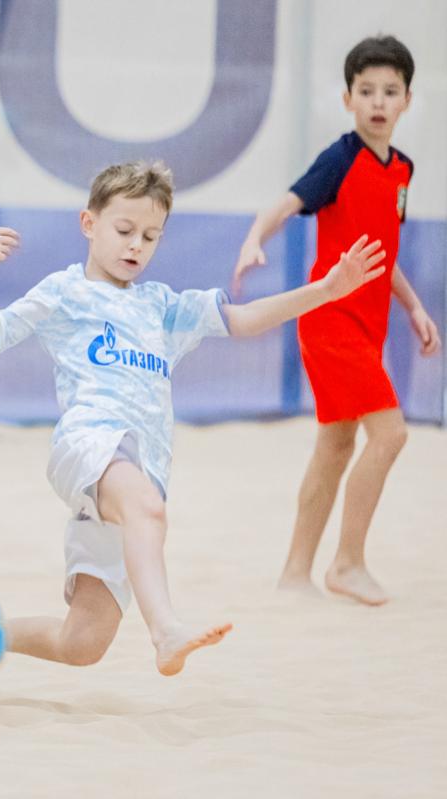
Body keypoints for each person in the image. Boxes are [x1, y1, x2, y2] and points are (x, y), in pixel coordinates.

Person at [0, 160, 386, 675]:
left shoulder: (161, 306)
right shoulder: (64, 291)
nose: (135, 245)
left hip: (142, 469)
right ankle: (165, 632)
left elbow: (243, 319)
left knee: (83, 643)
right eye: (124, 230)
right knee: (149, 510)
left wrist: (325, 292)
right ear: (89, 223)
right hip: (90, 443)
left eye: (150, 236)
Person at [232, 35, 440, 605]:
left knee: (336, 445)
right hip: (329, 319)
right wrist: (254, 239)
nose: (378, 101)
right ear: (348, 99)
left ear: (407, 101)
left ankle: (295, 573)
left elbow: (382, 252)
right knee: (391, 435)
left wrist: (414, 306)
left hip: (368, 327)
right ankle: (347, 563)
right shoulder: (339, 160)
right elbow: (285, 203)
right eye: (366, 91)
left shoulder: (402, 170)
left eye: (389, 91)